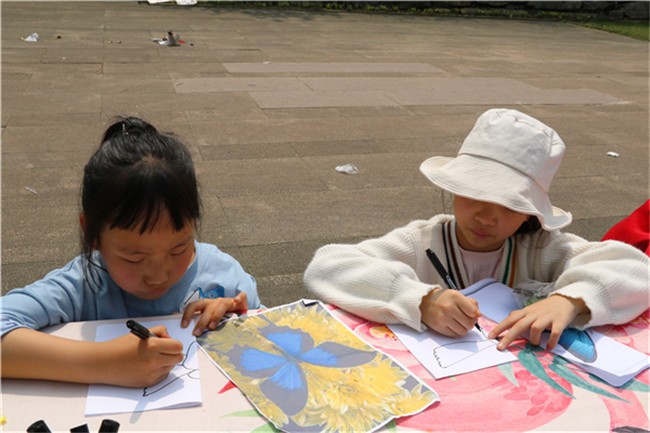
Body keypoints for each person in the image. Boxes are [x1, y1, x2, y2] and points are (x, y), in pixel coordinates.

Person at [304, 108, 649, 352]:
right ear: (453, 188)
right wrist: (421, 299)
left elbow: (634, 269)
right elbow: (328, 265)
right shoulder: (421, 242)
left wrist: (569, 300)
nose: (487, 217)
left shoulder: (541, 248)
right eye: (475, 195)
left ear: (530, 213)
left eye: (510, 205)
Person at [1, 117, 261, 387]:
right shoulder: (83, 285)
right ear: (93, 235)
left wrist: (240, 319)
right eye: (134, 258)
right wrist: (104, 364)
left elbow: (274, 335)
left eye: (179, 249)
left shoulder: (223, 277)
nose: (159, 276)